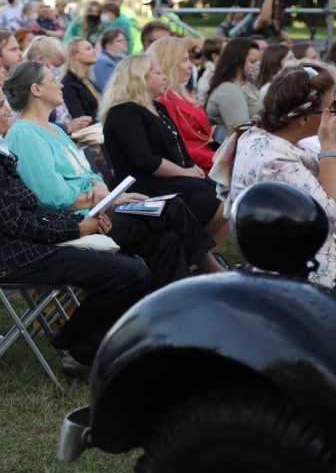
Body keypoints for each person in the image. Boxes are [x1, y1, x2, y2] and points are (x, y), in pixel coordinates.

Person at [0, 76, 150, 379]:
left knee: (131, 266)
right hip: (13, 259)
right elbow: (15, 223)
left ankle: (76, 340)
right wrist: (79, 230)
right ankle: (77, 347)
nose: (7, 111)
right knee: (130, 273)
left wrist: (81, 223)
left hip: (25, 248)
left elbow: (31, 211)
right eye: (0, 105)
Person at [3, 60, 222, 288]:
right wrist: (108, 199)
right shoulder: (24, 134)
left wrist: (101, 191)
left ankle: (172, 304)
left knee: (166, 240)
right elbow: (52, 195)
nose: (60, 86)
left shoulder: (55, 129)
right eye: (53, 80)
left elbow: (88, 175)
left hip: (98, 211)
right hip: (76, 224)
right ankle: (212, 270)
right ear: (36, 89)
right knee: (170, 207)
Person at [213, 65, 336, 287]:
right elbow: (328, 217)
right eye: (332, 107)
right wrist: (329, 149)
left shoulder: (258, 134)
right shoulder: (275, 162)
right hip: (305, 271)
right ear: (304, 120)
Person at [101, 54, 230, 246]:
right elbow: (145, 160)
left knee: (227, 195)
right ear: (140, 77)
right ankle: (195, 258)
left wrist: (191, 168)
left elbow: (178, 146)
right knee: (220, 205)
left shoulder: (158, 107)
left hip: (172, 179)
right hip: (144, 185)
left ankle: (199, 261)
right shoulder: (124, 113)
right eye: (159, 73)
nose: (165, 78)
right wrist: (185, 172)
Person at [150, 36, 216, 171]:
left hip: (207, 160)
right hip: (198, 166)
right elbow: (179, 146)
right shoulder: (163, 100)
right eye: (185, 60)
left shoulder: (183, 93)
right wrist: (219, 159)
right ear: (169, 63)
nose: (190, 65)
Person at [204, 37, 263, 133]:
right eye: (252, 62)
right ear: (237, 61)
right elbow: (240, 131)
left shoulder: (247, 84)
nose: (256, 66)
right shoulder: (229, 90)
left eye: (257, 62)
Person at [61, 37, 101, 122]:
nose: (94, 51)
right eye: (88, 49)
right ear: (75, 55)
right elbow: (79, 118)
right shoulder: (69, 85)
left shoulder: (86, 81)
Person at [92, 27, 130, 92]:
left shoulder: (118, 60)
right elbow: (105, 89)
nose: (125, 42)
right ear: (109, 45)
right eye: (120, 41)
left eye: (125, 40)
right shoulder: (101, 62)